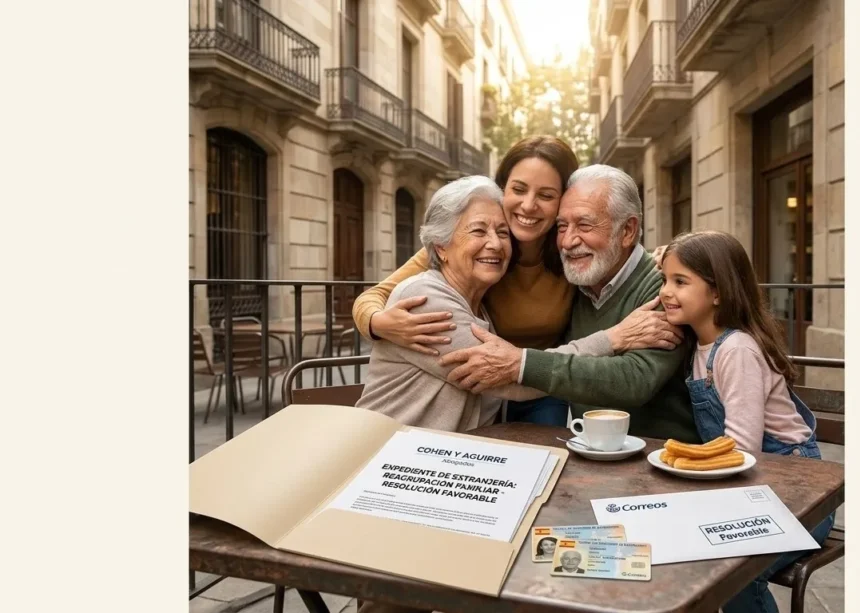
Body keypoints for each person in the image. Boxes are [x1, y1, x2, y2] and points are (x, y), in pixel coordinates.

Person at [352, 137, 681, 426]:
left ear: (562, 200)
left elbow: (611, 248)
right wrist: (378, 323)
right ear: (503, 190)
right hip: (503, 386)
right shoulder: (455, 253)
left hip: (540, 387)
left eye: (546, 195)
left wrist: (669, 261)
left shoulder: (570, 253)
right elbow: (379, 294)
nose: (528, 205)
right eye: (519, 189)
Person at [438, 165, 700, 443]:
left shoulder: (664, 286)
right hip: (592, 454)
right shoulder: (578, 279)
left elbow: (635, 379)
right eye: (562, 226)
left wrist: (522, 364)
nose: (568, 241)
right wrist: (383, 320)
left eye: (585, 225)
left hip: (664, 460)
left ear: (627, 231)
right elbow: (450, 243)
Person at [658, 230, 834, 613]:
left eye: (680, 282)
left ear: (717, 291)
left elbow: (741, 449)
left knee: (736, 573)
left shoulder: (735, 350)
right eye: (664, 279)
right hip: (753, 490)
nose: (665, 292)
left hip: (801, 493)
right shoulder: (699, 342)